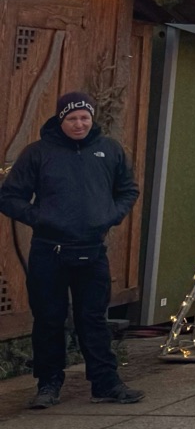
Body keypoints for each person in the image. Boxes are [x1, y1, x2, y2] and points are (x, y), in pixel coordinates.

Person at [2, 90, 143, 407]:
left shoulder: (108, 151)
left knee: (93, 319)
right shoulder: (38, 153)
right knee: (49, 319)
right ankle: (48, 384)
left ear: (91, 119)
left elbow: (128, 189)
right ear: (60, 119)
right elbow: (9, 197)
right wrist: (41, 218)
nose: (79, 124)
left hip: (92, 251)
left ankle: (106, 384)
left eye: (84, 117)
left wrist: (112, 215)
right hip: (49, 251)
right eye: (72, 118)